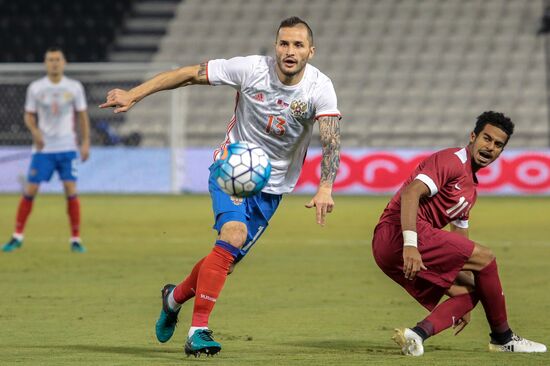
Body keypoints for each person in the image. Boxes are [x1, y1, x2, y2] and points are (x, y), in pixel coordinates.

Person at [100, 17, 341, 357]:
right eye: (284, 43)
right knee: (232, 236)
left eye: (298, 45)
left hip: (272, 189)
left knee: (225, 257)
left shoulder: (319, 87)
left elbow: (331, 141)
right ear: (275, 46)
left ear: (310, 51)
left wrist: (325, 187)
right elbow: (187, 73)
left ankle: (173, 298)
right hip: (231, 168)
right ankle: (198, 331)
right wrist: (134, 95)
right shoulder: (250, 69)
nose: (290, 51)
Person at [372, 111, 547, 356]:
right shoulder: (451, 160)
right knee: (486, 258)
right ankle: (503, 337)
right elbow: (411, 193)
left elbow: (461, 241)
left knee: (473, 291)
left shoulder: (470, 190)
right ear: (473, 136)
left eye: (498, 145)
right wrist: (410, 244)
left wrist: (462, 304)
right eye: (487, 139)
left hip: (392, 249)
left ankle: (416, 335)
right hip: (398, 233)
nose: (490, 147)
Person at [2, 47, 90, 253]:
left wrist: (85, 142)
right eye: (50, 60)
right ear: (45, 63)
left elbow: (82, 116)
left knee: (71, 191)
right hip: (43, 150)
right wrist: (35, 132)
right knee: (30, 190)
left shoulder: (75, 87)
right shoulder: (36, 88)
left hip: (67, 147)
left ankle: (75, 239)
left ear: (64, 62)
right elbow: (28, 115)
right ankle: (17, 236)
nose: (54, 63)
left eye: (57, 59)